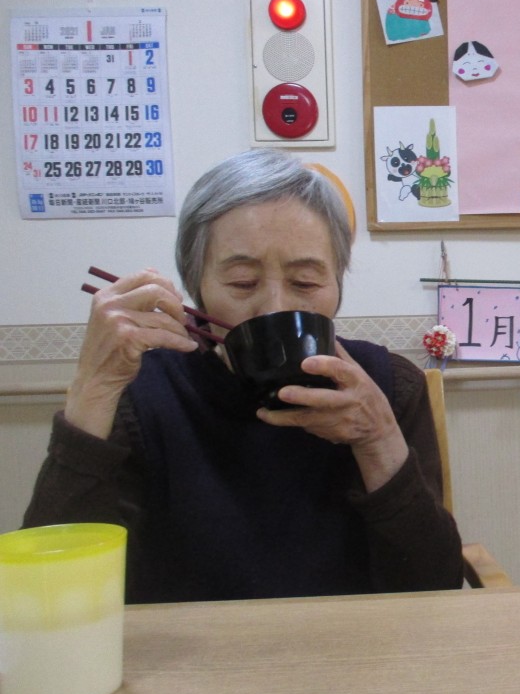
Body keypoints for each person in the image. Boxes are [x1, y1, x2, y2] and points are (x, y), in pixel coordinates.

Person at [24, 149, 463, 601]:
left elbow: (435, 588)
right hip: (189, 646)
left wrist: (378, 439)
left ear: (337, 285)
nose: (274, 306)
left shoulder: (387, 386)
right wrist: (93, 388)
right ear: (197, 286)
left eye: (305, 282)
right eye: (242, 283)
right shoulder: (140, 393)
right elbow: (50, 595)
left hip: (351, 641)